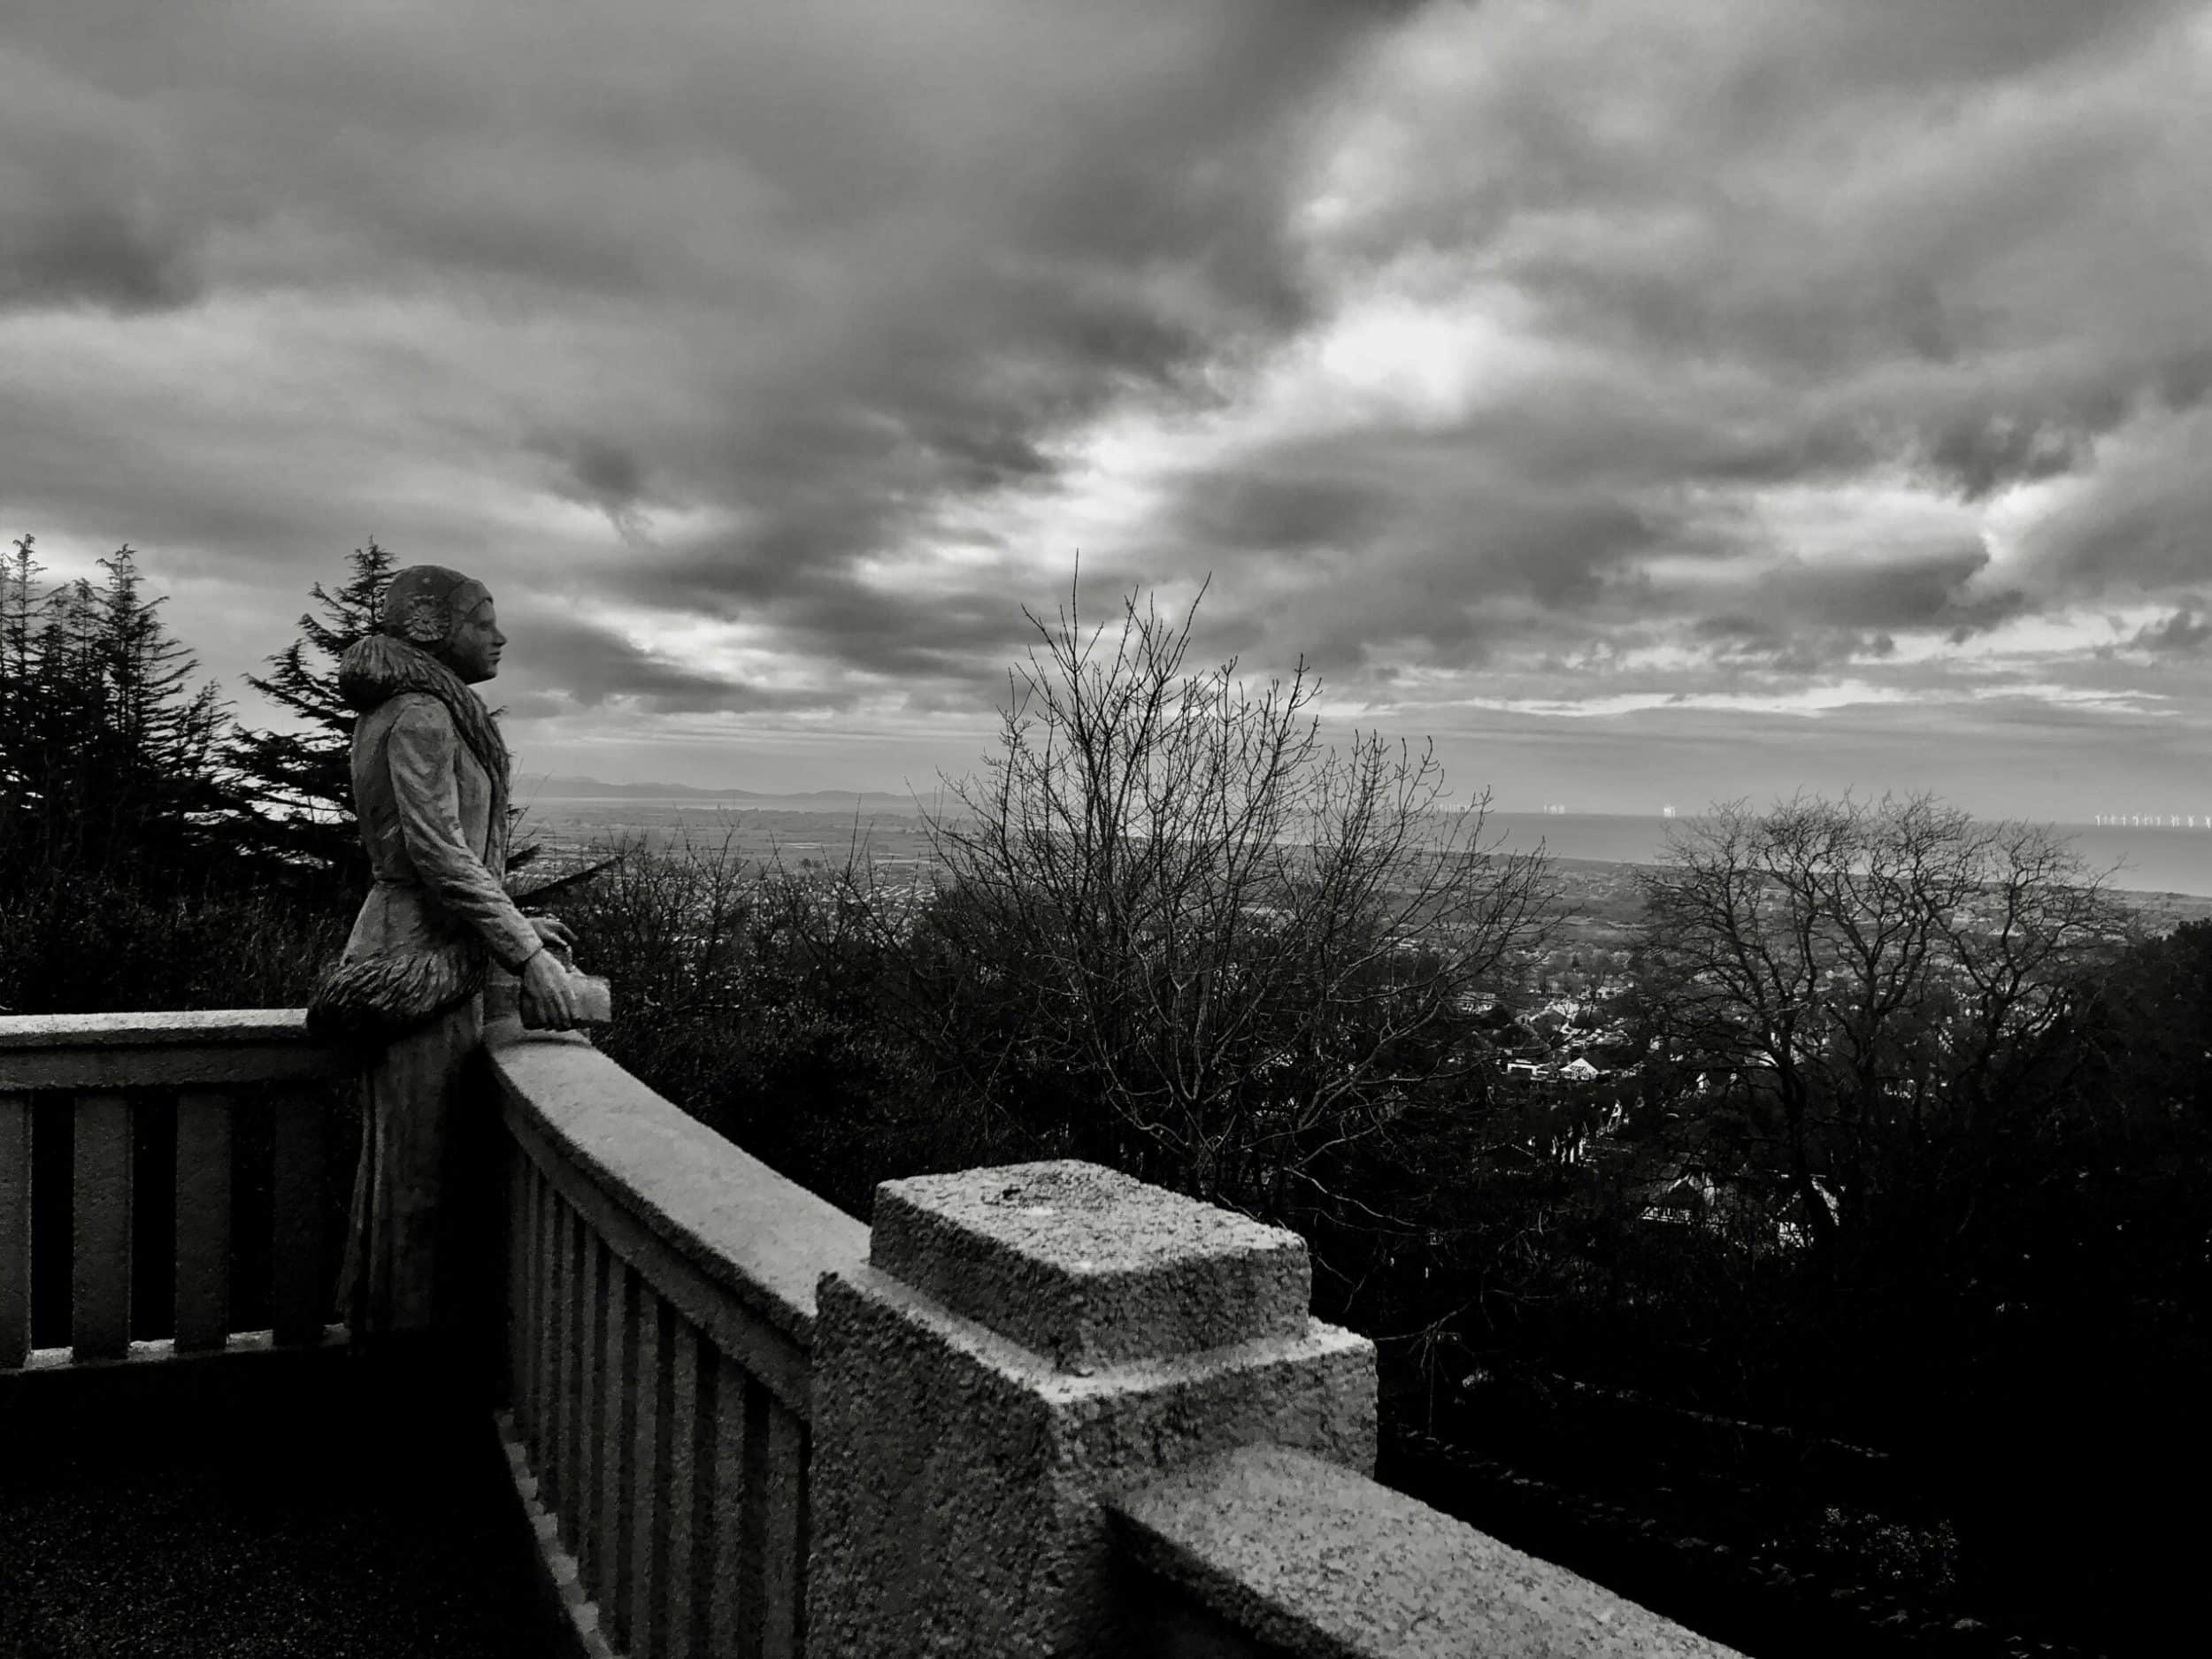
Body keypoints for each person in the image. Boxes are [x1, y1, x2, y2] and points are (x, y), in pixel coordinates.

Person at [316, 564, 578, 1345]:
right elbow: (439, 855)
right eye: (482, 620)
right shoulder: (423, 715)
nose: (499, 636)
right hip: (415, 961)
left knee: (402, 1172)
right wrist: (527, 955)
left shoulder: (405, 710)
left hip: (413, 943)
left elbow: (445, 858)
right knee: (416, 1185)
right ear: (434, 631)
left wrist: (514, 925)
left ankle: (391, 1360)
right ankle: (404, 1388)